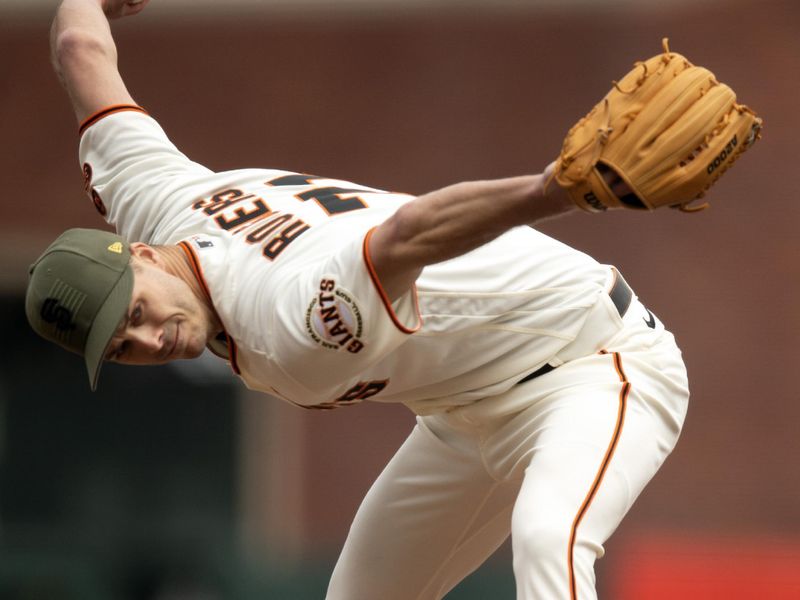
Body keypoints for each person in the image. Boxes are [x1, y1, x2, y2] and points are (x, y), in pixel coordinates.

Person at [27, 1, 689, 598]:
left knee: (549, 539)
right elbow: (80, 53)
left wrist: (556, 191)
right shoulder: (153, 202)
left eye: (134, 313)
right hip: (462, 412)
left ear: (140, 254)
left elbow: (410, 234)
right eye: (120, 347)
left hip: (594, 363)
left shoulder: (285, 320)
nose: (146, 342)